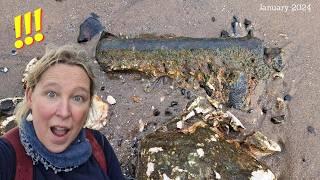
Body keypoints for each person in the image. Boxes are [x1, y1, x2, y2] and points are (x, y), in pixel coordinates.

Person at [0, 45, 124, 180]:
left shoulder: (98, 144)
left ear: (88, 105)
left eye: (77, 98)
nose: (64, 112)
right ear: (30, 96)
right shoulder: (8, 157)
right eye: (51, 94)